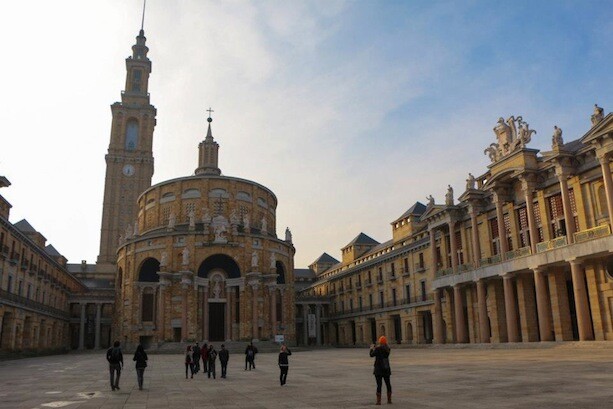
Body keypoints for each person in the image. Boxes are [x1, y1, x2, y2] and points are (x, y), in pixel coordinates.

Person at [370, 336, 392, 405]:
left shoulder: (377, 349)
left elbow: (371, 355)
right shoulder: (387, 349)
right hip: (386, 369)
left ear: (379, 342)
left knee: (379, 385)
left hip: (378, 370)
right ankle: (389, 400)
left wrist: (371, 349)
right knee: (388, 384)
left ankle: (378, 401)